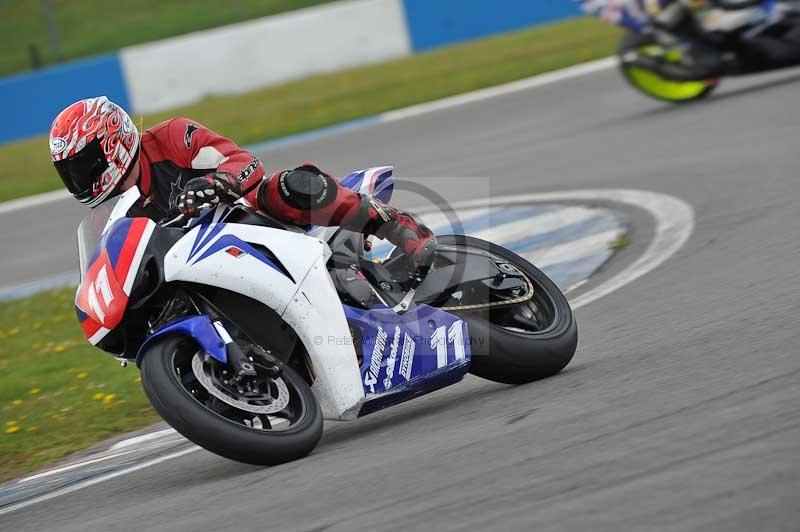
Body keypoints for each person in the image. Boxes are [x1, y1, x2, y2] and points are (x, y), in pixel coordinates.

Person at [49, 96, 436, 272]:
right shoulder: (108, 218)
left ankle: (398, 226)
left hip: (249, 223)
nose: (80, 180)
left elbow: (245, 162)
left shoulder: (170, 138)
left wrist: (220, 182)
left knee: (286, 187)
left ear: (112, 144)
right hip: (204, 269)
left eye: (85, 166)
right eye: (70, 172)